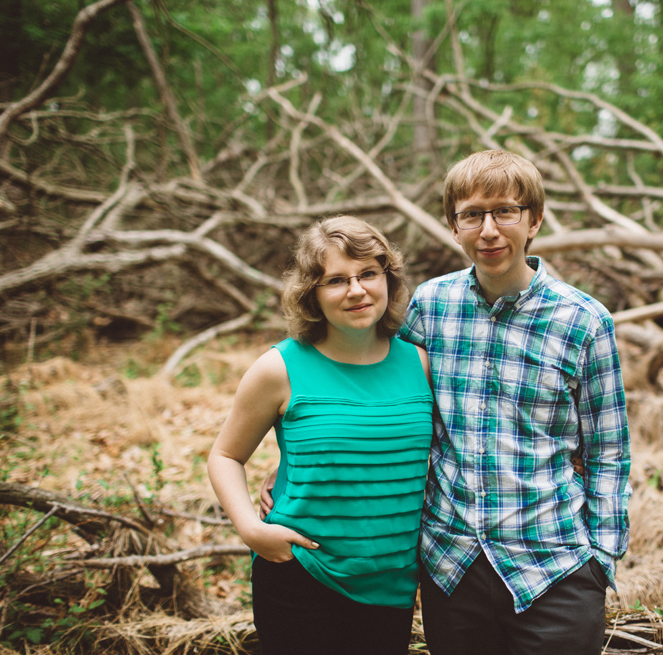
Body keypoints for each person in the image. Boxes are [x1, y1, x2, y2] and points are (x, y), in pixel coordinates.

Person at [400, 149, 632, 655]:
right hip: (452, 563)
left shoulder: (584, 321)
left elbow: (609, 451)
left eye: (506, 211)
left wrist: (601, 559)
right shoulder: (429, 306)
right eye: (472, 215)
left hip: (554, 566)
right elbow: (387, 402)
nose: (489, 230)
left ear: (534, 220)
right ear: (453, 225)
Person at [208, 216, 434, 655]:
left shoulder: (421, 364)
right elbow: (225, 455)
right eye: (335, 280)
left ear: (388, 279)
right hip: (300, 573)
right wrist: (251, 530)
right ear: (312, 293)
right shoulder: (279, 369)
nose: (356, 290)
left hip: (392, 581)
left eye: (369, 273)